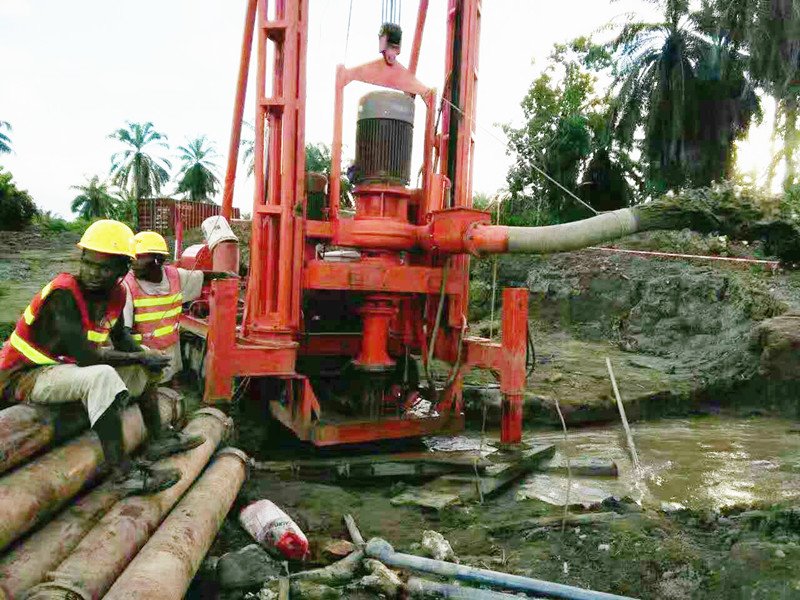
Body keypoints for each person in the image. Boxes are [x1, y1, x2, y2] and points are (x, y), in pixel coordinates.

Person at [0, 220, 204, 495]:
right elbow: (87, 358)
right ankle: (122, 475)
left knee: (142, 355)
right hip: (25, 376)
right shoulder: (63, 293)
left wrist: (146, 358)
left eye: (104, 268)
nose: (93, 273)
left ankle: (157, 438)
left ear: (123, 269)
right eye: (88, 263)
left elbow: (122, 340)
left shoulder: (116, 294)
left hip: (60, 371)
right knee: (104, 375)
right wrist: (140, 360)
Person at [122, 230, 237, 384]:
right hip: (143, 359)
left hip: (170, 356)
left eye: (138, 258)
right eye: (132, 258)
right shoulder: (126, 286)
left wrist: (224, 275)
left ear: (157, 260)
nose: (133, 264)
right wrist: (142, 357)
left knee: (169, 388)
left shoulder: (175, 276)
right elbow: (124, 332)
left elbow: (201, 276)